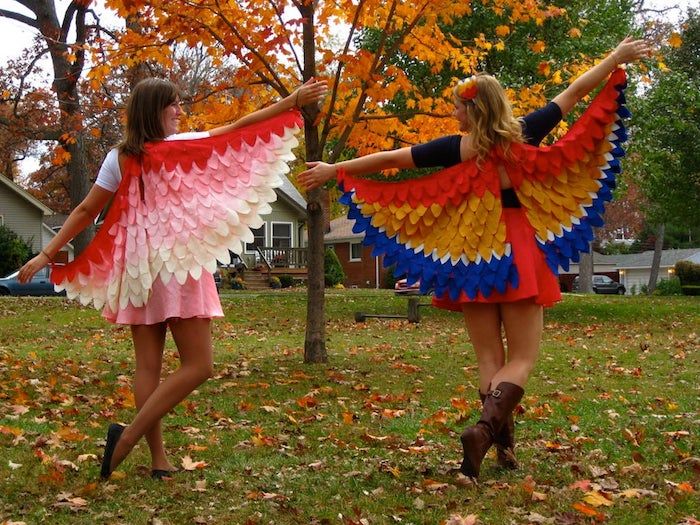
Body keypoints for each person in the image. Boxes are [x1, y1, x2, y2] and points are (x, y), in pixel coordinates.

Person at [298, 37, 650, 478]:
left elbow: (392, 160)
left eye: (458, 107)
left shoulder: (458, 148)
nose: (453, 114)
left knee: (489, 359)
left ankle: (500, 449)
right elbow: (576, 93)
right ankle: (484, 433)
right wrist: (615, 57)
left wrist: (338, 170)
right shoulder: (526, 132)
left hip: (473, 263)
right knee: (520, 358)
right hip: (518, 256)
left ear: (475, 108)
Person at [18, 76, 327, 480]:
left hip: (136, 267)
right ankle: (127, 439)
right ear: (155, 110)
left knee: (148, 366)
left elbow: (84, 211)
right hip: (177, 263)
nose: (179, 111)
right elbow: (237, 129)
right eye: (173, 105)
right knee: (199, 365)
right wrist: (291, 101)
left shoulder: (118, 157)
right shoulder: (180, 146)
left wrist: (46, 253)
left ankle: (159, 460)